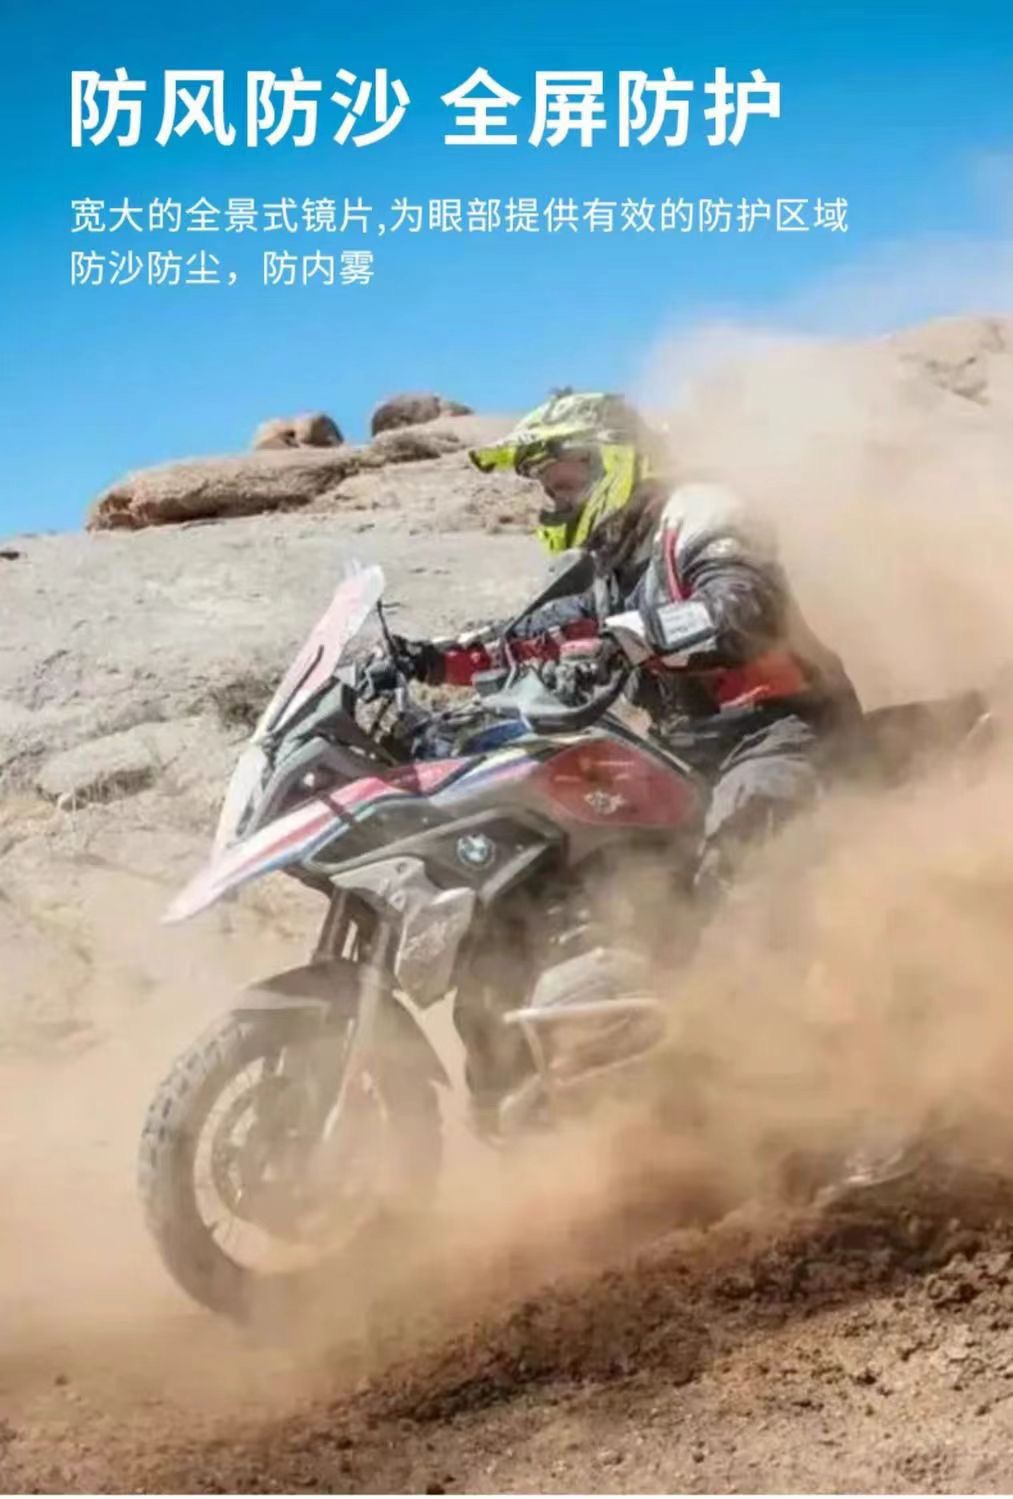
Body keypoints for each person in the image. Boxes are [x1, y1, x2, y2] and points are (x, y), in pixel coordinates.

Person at [388, 387, 862, 900]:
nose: (557, 503)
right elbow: (539, 635)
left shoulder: (701, 511)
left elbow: (743, 607)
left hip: (781, 732)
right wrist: (429, 660)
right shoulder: (616, 562)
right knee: (587, 850)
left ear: (612, 459)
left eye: (565, 485)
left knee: (737, 865)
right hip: (685, 748)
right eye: (550, 492)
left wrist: (631, 638)